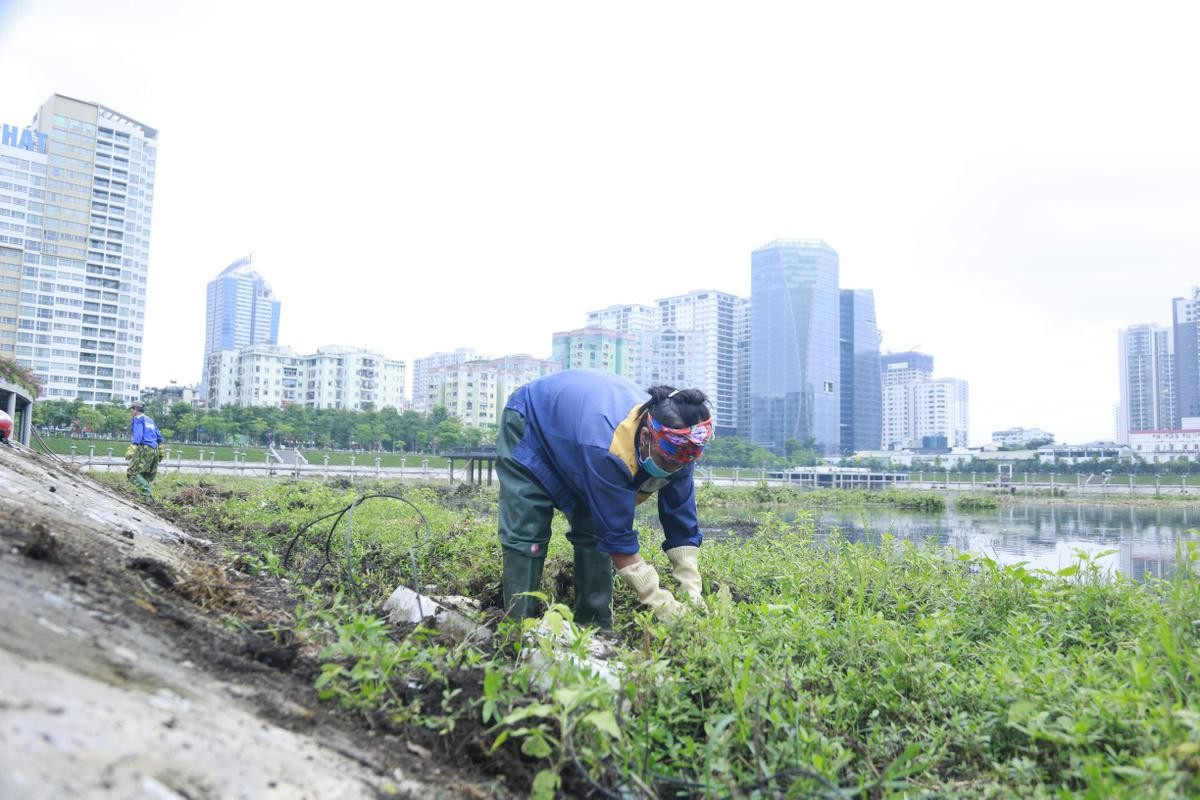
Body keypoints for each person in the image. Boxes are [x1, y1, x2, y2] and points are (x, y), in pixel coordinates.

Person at [498, 369, 713, 627]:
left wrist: (691, 587)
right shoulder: (608, 448)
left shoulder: (681, 449)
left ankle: (595, 628)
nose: (674, 470)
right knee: (527, 530)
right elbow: (617, 537)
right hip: (531, 421)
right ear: (646, 438)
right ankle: (517, 628)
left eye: (682, 465)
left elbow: (681, 521)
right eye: (667, 462)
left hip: (578, 433)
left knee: (592, 528)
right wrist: (658, 600)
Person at [125, 402, 164, 499]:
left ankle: (146, 492)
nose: (130, 411)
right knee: (144, 474)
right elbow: (159, 437)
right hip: (155, 450)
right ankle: (146, 499)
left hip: (145, 449)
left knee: (132, 473)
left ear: (135, 409)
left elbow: (138, 435)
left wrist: (132, 449)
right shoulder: (149, 420)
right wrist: (161, 451)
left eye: (131, 409)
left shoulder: (137, 419)